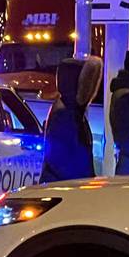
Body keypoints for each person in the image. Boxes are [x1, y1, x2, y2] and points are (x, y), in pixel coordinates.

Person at [41, 55, 102, 183]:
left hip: (66, 189)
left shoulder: (71, 113)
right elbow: (66, 164)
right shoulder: (65, 117)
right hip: (64, 190)